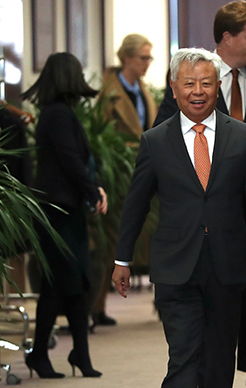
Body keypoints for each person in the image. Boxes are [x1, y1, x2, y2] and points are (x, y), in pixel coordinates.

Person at [112, 47, 246, 388]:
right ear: (173, 87)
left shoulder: (243, 136)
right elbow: (136, 204)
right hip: (176, 265)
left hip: (229, 264)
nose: (198, 91)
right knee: (185, 360)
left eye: (206, 83)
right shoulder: (155, 141)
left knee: (219, 362)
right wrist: (122, 259)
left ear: (218, 86)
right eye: (189, 83)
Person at [153, 3, 246, 386]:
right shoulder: (190, 76)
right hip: (201, 213)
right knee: (212, 297)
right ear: (228, 38)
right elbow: (162, 134)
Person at [21, 52, 108, 379]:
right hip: (57, 211)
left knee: (73, 282)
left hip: (64, 209)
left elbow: (75, 161)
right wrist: (93, 190)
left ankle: (79, 354)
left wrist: (91, 187)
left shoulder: (58, 113)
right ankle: (42, 353)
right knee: (59, 285)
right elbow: (71, 161)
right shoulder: (57, 115)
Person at [90, 33, 158, 330]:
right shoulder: (110, 92)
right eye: (143, 57)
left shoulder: (141, 88)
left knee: (153, 229)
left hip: (144, 166)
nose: (147, 63)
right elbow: (101, 136)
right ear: (127, 58)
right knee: (114, 237)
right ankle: (97, 306)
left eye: (149, 58)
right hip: (120, 172)